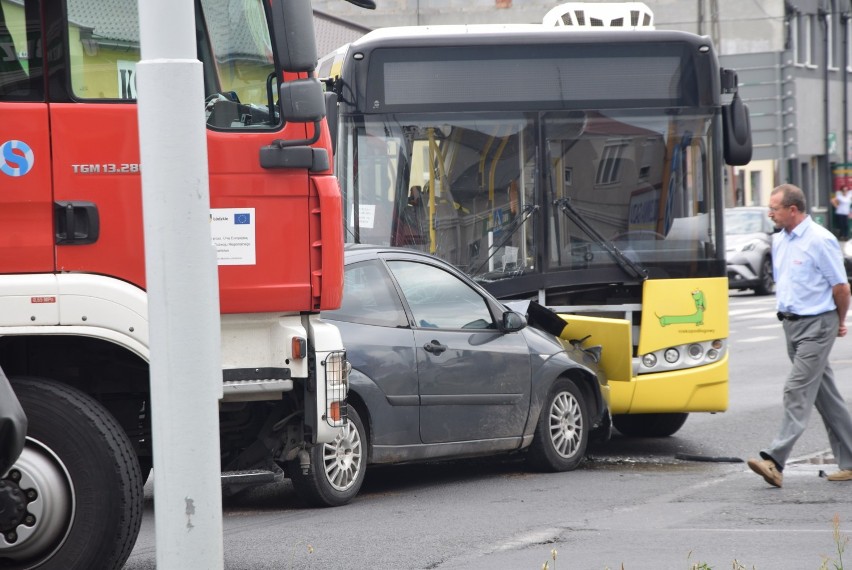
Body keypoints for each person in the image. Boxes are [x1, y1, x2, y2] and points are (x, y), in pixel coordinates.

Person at [747, 184, 852, 487]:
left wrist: (840, 321)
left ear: (792, 209)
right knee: (826, 395)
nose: (770, 214)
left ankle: (775, 460)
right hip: (791, 325)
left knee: (796, 390)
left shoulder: (821, 240)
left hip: (818, 325)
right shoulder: (780, 241)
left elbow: (841, 288)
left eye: (775, 208)